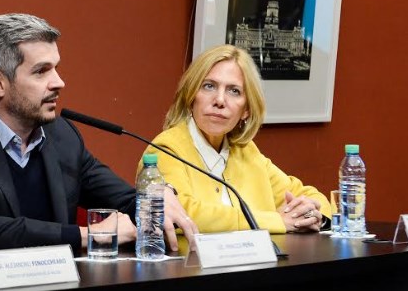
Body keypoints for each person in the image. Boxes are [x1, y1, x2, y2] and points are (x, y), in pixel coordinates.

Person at [0, 13, 197, 254]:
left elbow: (123, 198)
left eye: (56, 68)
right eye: (41, 71)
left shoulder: (61, 135)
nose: (59, 82)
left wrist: (156, 196)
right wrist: (87, 235)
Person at [140, 44, 330, 234]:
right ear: (191, 97)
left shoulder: (245, 151)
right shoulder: (166, 149)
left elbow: (310, 196)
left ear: (246, 110)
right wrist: (277, 221)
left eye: (234, 91)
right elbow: (180, 213)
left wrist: (309, 214)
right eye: (209, 86)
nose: (220, 100)